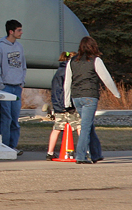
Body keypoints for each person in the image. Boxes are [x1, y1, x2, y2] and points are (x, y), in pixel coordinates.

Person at [64, 36, 120, 164]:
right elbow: (106, 78)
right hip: (90, 96)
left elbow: (67, 83)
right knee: (85, 127)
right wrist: (116, 93)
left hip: (76, 97)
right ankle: (81, 156)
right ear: (93, 47)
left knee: (88, 125)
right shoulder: (96, 60)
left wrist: (67, 102)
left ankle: (96, 154)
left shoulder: (72, 61)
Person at [0, 19, 26, 153]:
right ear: (11, 32)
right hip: (5, 87)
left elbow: (23, 66)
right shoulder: (0, 47)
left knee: (15, 119)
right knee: (6, 118)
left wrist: (22, 82)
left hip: (17, 87)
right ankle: (4, 146)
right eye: (19, 30)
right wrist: (0, 85)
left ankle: (12, 146)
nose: (21, 33)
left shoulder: (19, 47)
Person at [46, 52, 81, 160]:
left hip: (57, 105)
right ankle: (87, 150)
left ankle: (50, 152)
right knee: (79, 126)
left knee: (57, 128)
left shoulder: (58, 72)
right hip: (68, 105)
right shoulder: (69, 72)